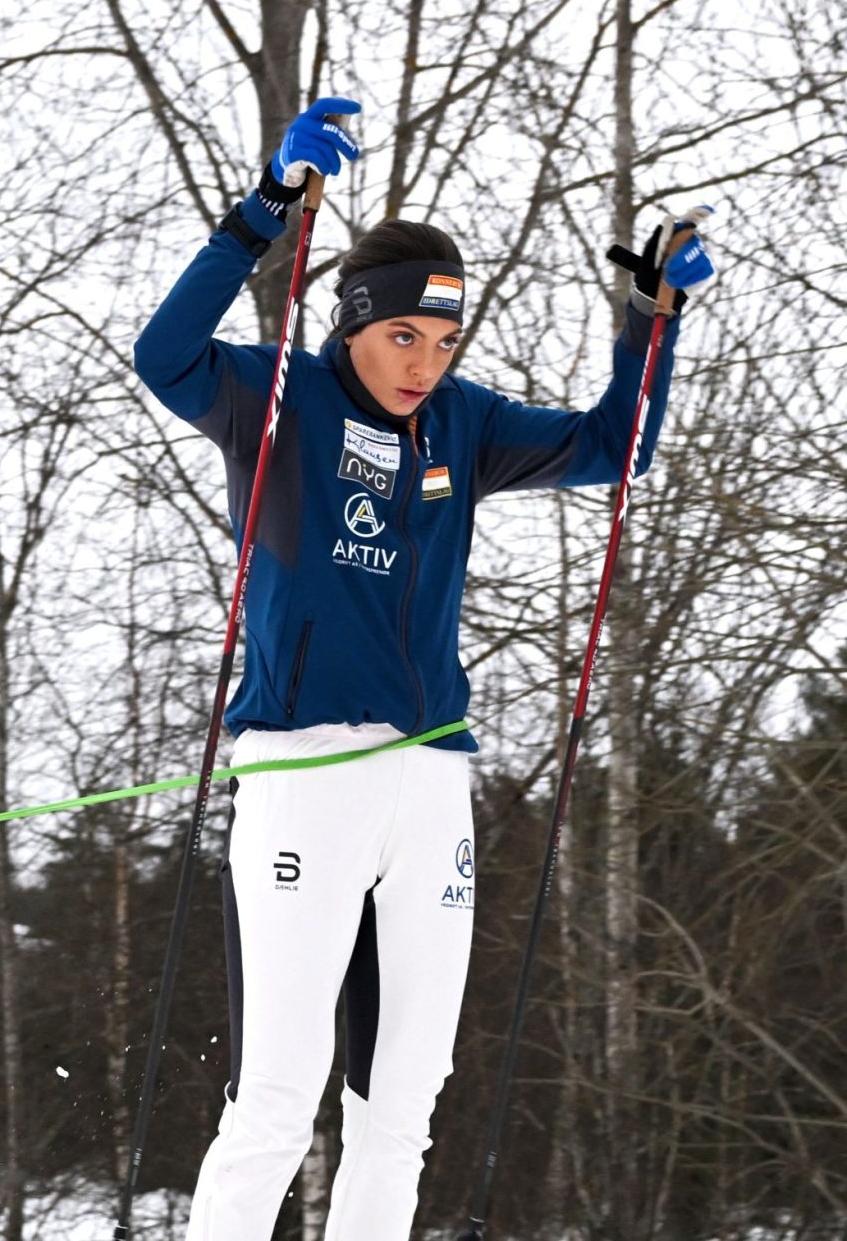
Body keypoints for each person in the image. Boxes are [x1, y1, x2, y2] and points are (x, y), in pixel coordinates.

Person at [131, 99, 712, 1239]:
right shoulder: (276, 400)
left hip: (429, 783)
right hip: (304, 778)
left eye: (444, 344)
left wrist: (651, 319)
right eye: (406, 337)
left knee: (402, 1110)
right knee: (277, 1107)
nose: (424, 363)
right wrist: (265, 212)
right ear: (352, 325)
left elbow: (617, 444)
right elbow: (165, 357)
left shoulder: (459, 424)